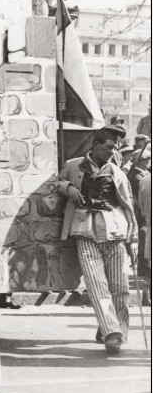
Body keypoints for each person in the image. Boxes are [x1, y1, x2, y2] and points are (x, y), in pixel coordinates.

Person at [57, 125, 135, 355]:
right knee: (96, 283)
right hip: (85, 228)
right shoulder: (74, 165)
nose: (113, 152)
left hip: (114, 230)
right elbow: (57, 182)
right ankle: (112, 333)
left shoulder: (117, 171)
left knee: (119, 285)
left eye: (116, 147)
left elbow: (127, 202)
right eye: (109, 147)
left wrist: (131, 233)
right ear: (96, 145)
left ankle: (115, 327)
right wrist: (68, 187)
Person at [138, 171, 151, 306]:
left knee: (150, 267)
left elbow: (141, 207)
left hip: (149, 226)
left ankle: (145, 296)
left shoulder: (144, 181)